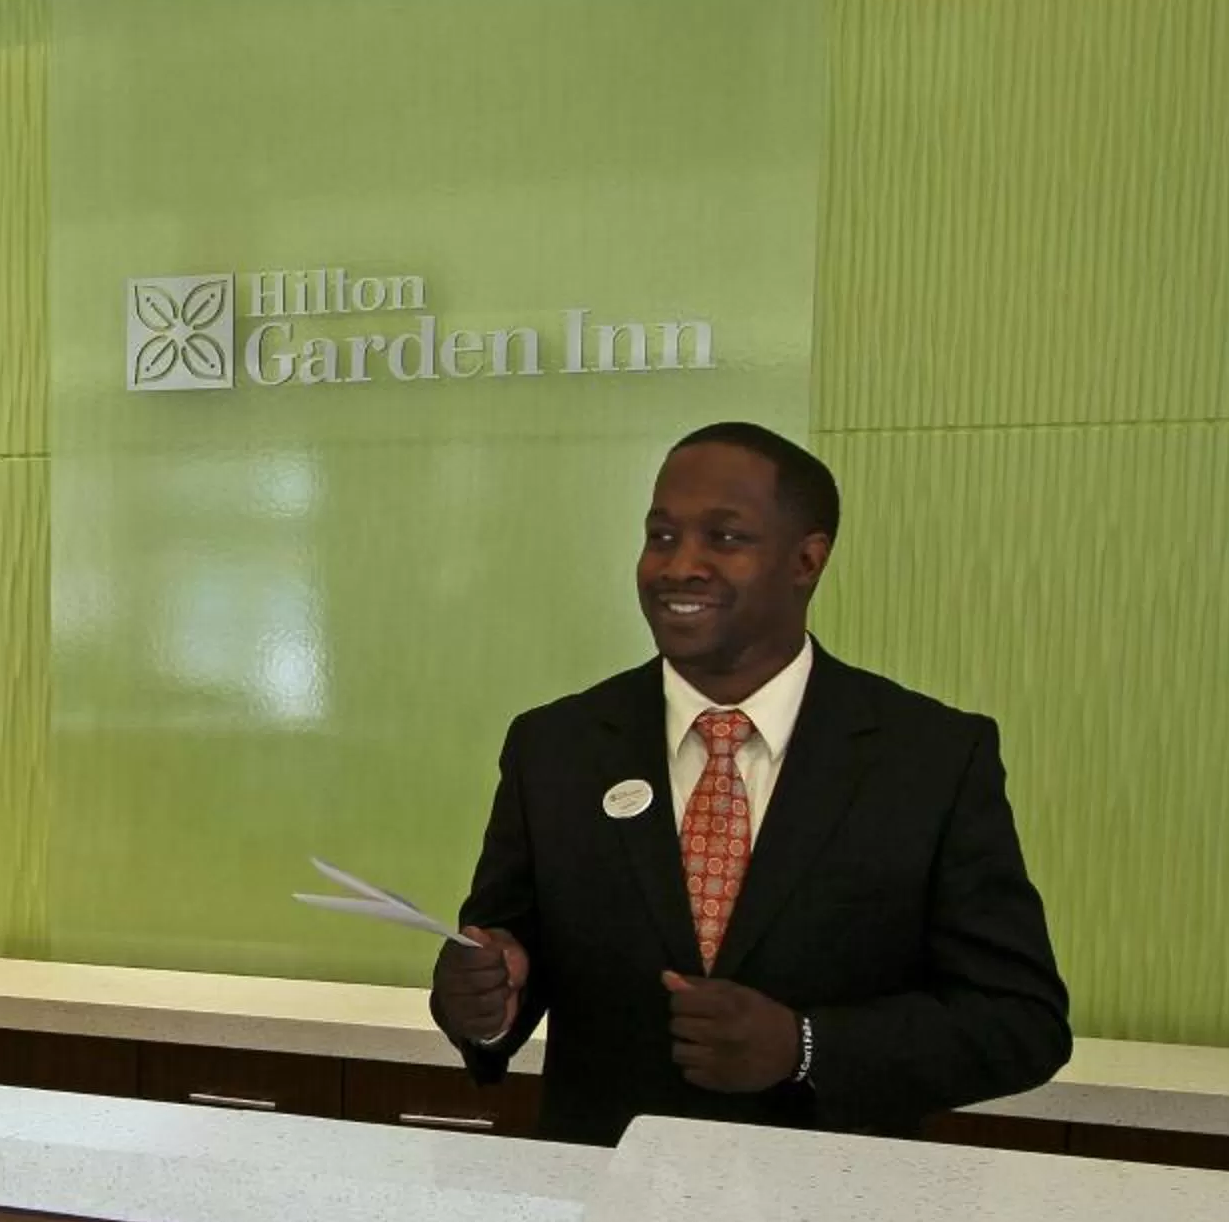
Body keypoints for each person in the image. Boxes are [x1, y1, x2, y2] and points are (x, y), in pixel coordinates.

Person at [430, 422, 1069, 1147]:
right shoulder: (557, 748)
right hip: (606, 1210)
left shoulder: (930, 757)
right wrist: (479, 1003)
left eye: (725, 539)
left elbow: (1021, 1022)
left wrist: (805, 1046)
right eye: (662, 536)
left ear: (807, 560)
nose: (681, 566)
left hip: (835, 1219)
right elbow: (502, 963)